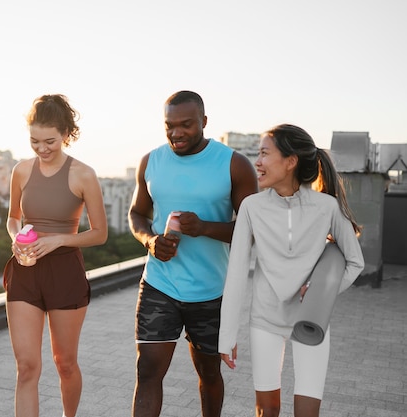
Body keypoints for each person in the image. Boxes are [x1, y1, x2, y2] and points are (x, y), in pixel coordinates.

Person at [218, 124, 365, 417]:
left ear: (291, 161)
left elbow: (355, 262)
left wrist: (320, 294)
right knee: (267, 410)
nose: (257, 162)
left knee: (307, 412)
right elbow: (236, 272)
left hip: (311, 320)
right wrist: (227, 336)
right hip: (264, 319)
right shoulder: (251, 207)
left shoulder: (327, 207)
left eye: (264, 154)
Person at [128, 90, 258, 417]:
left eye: (186, 124)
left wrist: (204, 228)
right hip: (160, 285)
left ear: (204, 121)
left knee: (209, 374)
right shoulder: (151, 161)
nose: (176, 133)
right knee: (148, 373)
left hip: (212, 292)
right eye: (169, 125)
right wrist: (150, 241)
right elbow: (137, 214)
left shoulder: (235, 164)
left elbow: (254, 229)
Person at [3, 94, 108, 417]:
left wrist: (60, 240)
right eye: (34, 141)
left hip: (65, 273)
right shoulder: (21, 171)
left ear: (65, 133)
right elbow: (12, 217)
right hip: (25, 269)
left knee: (65, 363)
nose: (42, 148)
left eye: (49, 141)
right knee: (27, 366)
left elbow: (99, 233)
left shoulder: (83, 175)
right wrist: (15, 237)